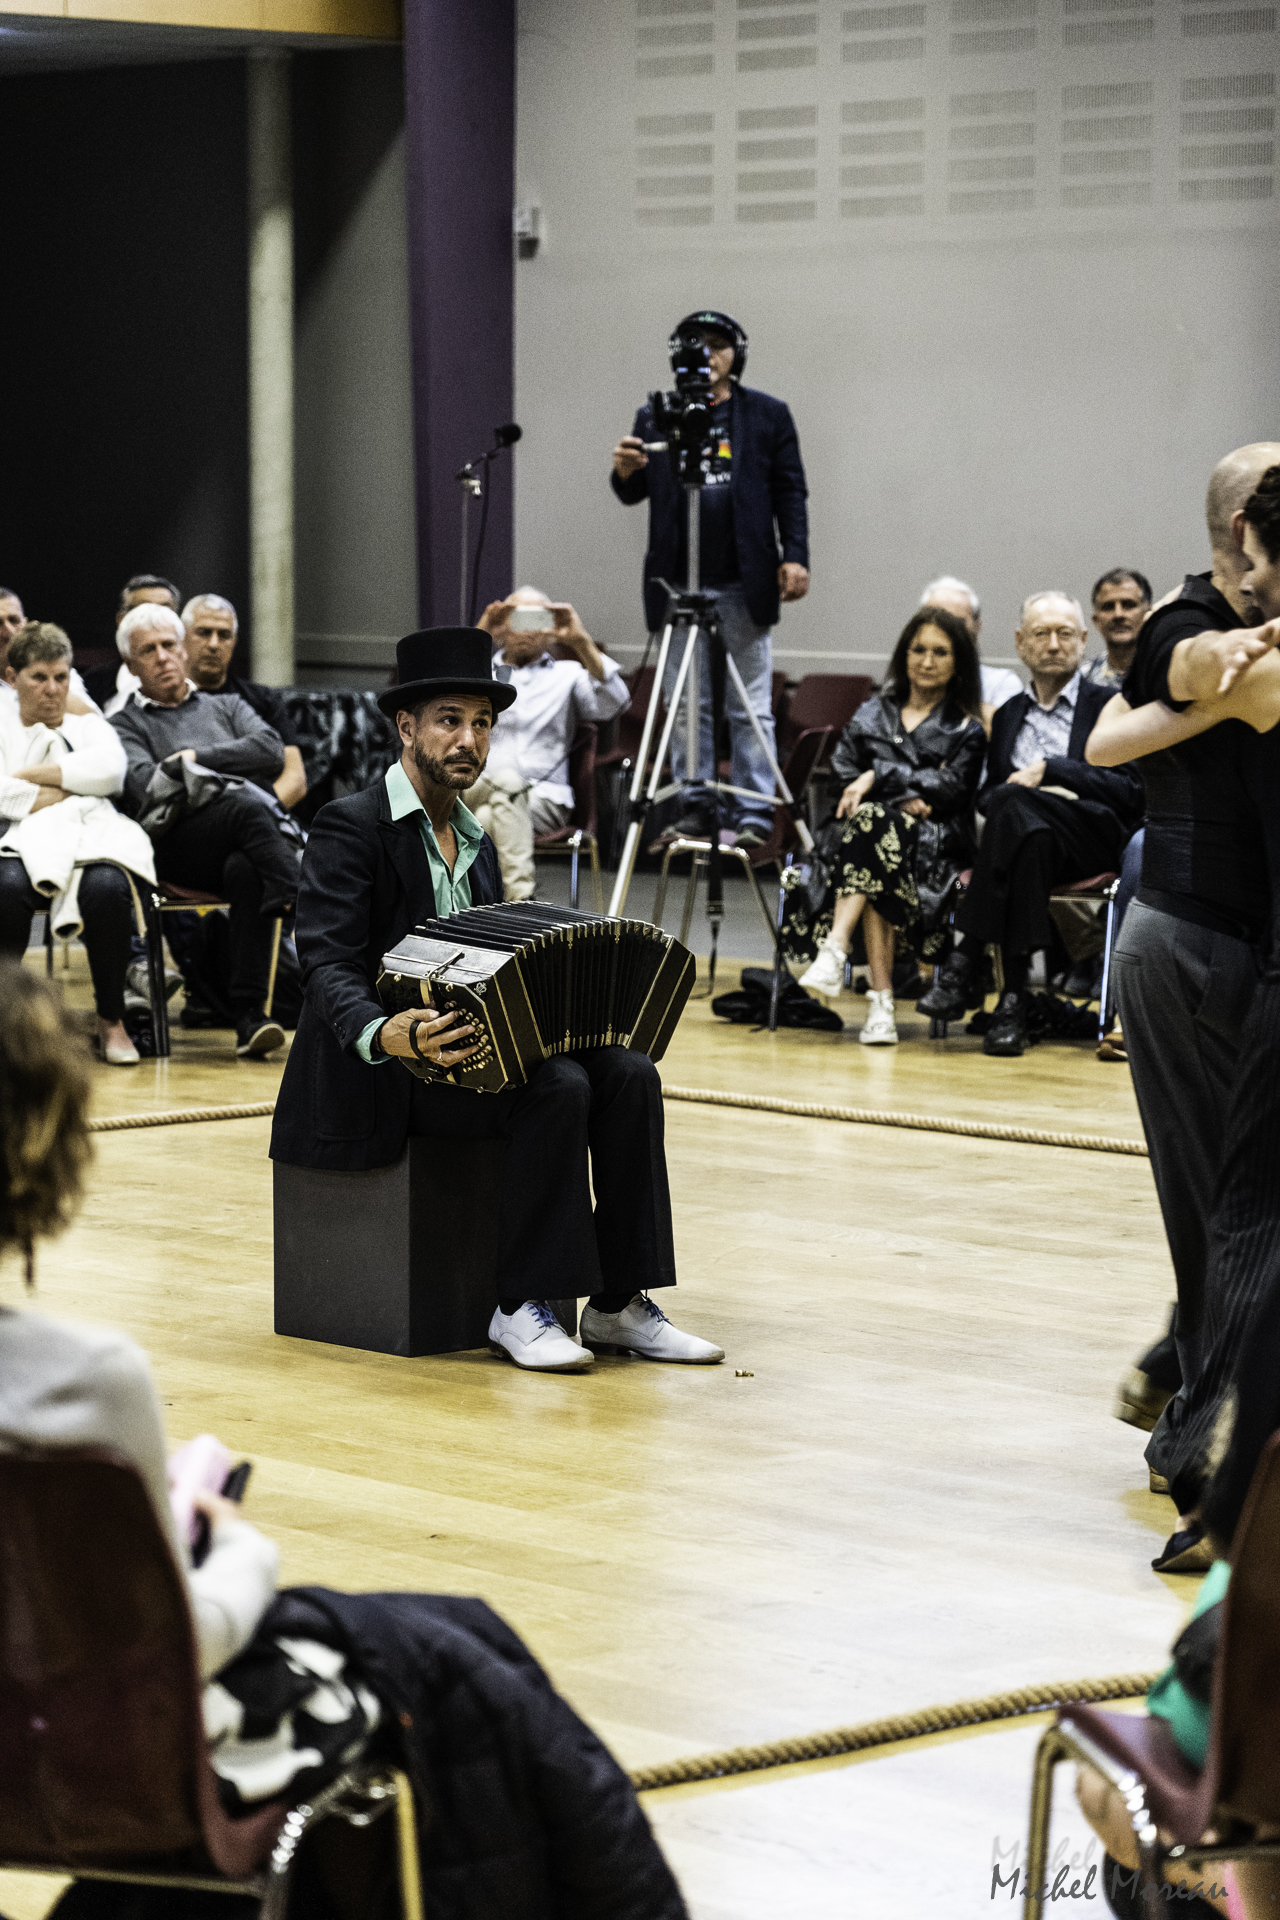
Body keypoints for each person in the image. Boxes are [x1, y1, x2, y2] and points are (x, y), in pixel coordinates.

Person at [0, 962, 689, 1919]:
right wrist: (240, 1548)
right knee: (457, 1656)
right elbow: (169, 1649)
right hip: (94, 1761)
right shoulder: (85, 1380)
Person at [271, 627, 724, 1374]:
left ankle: (619, 1301)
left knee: (630, 1073)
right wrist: (388, 1033)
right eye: (450, 719)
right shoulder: (349, 825)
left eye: (482, 723)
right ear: (406, 727)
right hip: (378, 1075)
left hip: (461, 1062)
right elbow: (324, 965)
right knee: (556, 1086)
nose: (469, 739)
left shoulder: (477, 842)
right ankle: (521, 1304)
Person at [1088, 456, 1280, 1568]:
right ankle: (1201, 1445)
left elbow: (1111, 735)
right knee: (1227, 1207)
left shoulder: (1245, 643)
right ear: (1238, 534)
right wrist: (1207, 662)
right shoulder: (1199, 622)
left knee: (1232, 1206)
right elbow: (1132, 704)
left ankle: (1192, 1402)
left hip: (1222, 951)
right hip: (1193, 946)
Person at [611, 309, 809, 849]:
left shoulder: (767, 415)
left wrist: (796, 555)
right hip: (678, 585)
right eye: (697, 345)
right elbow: (633, 490)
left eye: (719, 345)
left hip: (745, 582)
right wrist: (625, 470)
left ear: (736, 354)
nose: (709, 354)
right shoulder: (656, 416)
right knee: (685, 703)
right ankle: (695, 803)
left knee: (749, 705)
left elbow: (791, 490)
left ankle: (752, 814)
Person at [916, 590, 1142, 1058]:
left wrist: (1052, 769)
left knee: (1017, 807)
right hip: (1031, 842)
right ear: (1021, 643)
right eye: (1042, 634)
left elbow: (1132, 792)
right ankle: (1012, 1008)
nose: (1054, 644)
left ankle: (966, 955)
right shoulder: (1010, 715)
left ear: (1083, 640)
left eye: (1065, 634)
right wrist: (1016, 795)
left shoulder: (1111, 703)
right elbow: (989, 794)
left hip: (1094, 835)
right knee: (1025, 832)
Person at [786, 607, 985, 1045]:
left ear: (958, 663)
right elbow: (840, 768)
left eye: (940, 652)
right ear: (903, 654)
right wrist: (904, 793)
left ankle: (842, 956)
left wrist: (876, 777)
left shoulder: (966, 728)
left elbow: (952, 788)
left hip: (932, 847)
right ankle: (879, 1003)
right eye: (918, 650)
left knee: (874, 827)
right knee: (877, 838)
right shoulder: (873, 712)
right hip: (866, 842)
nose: (927, 661)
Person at [110, 602, 298, 1059]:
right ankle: (302, 897)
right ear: (132, 666)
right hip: (170, 844)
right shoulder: (123, 723)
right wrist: (226, 770)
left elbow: (271, 750)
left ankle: (250, 1016)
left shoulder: (227, 704)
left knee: (246, 869)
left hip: (234, 843)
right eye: (148, 650)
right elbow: (146, 785)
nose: (162, 656)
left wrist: (193, 761)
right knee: (244, 806)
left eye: (169, 645)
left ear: (182, 650)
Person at [0, 623, 151, 1066]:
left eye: (61, 677)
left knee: (107, 890)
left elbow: (111, 774)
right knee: (5, 890)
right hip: (16, 842)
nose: (52, 689)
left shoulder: (89, 725)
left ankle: (111, 1019)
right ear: (12, 677)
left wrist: (27, 779)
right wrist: (72, 786)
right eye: (39, 677)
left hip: (92, 840)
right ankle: (7, 1022)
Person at [466, 585, 629, 900]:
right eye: (517, 617)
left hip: (544, 799)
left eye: (537, 618)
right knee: (506, 788)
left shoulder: (568, 675)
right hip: (473, 789)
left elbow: (616, 702)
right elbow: (440, 693)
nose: (527, 629)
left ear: (551, 626)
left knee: (493, 812)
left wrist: (579, 640)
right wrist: (483, 630)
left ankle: (500, 903)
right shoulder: (477, 672)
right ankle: (521, 904)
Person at [182, 592, 308, 810]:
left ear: (234, 641)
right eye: (203, 633)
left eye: (224, 635)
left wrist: (259, 819)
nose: (214, 644)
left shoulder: (262, 699)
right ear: (181, 636)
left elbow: (295, 780)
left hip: (260, 815)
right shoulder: (164, 700)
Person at [919, 576, 1022, 722]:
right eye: (937, 620)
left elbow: (999, 738)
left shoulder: (1001, 684)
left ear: (977, 624)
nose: (947, 630)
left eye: (956, 621)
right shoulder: (905, 682)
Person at [85, 572, 182, 713]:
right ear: (121, 619)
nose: (155, 619)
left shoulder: (199, 681)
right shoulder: (94, 682)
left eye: (164, 610)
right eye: (143, 612)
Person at [0, 587, 99, 717]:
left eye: (14, 620)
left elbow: (93, 720)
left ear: (26, 625)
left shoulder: (58, 671)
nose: (9, 631)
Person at [1083, 567, 1153, 688]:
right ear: (1096, 620)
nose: (1118, 614)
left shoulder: (1169, 673)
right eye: (1108, 607)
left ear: (1148, 614)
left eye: (1128, 605)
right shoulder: (1082, 680)